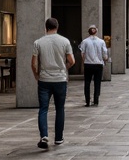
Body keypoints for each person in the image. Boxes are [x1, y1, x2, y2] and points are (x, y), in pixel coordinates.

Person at [31, 18, 74, 150]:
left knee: (43, 109)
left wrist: (37, 75)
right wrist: (63, 69)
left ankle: (44, 136)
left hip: (44, 79)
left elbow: (33, 63)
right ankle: (59, 138)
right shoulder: (64, 41)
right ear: (57, 27)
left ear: (46, 27)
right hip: (60, 79)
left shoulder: (38, 42)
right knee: (60, 109)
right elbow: (72, 61)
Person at [78, 25, 109, 106]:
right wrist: (105, 60)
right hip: (98, 64)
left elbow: (82, 54)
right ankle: (96, 101)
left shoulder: (85, 41)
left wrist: (83, 63)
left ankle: (87, 101)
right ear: (96, 31)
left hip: (88, 64)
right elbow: (105, 54)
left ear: (88, 32)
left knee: (87, 83)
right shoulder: (101, 41)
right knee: (97, 83)